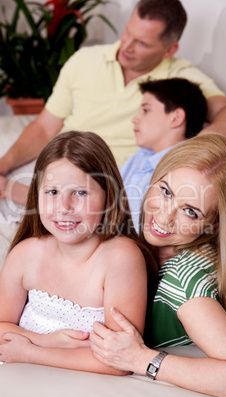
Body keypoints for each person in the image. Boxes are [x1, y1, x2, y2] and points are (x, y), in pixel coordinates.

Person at [0, 0, 226, 205]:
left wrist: (186, 151)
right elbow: (44, 127)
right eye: (127, 33)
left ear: (169, 50)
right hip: (59, 163)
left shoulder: (181, 78)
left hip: (102, 182)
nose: (126, 47)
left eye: (141, 43)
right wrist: (4, 165)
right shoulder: (84, 60)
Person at [89, 135, 226, 397]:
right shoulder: (142, 246)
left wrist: (140, 358)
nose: (164, 217)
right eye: (166, 191)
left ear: (214, 224)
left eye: (190, 212)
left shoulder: (183, 280)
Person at [0, 130, 157, 373]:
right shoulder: (25, 254)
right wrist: (52, 341)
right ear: (36, 195)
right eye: (52, 192)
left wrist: (32, 351)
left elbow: (120, 361)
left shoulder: (120, 258)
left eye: (80, 192)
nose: (64, 207)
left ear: (108, 196)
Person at [120, 77, 207, 232]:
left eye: (146, 110)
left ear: (176, 118)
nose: (134, 119)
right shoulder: (140, 156)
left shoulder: (183, 171)